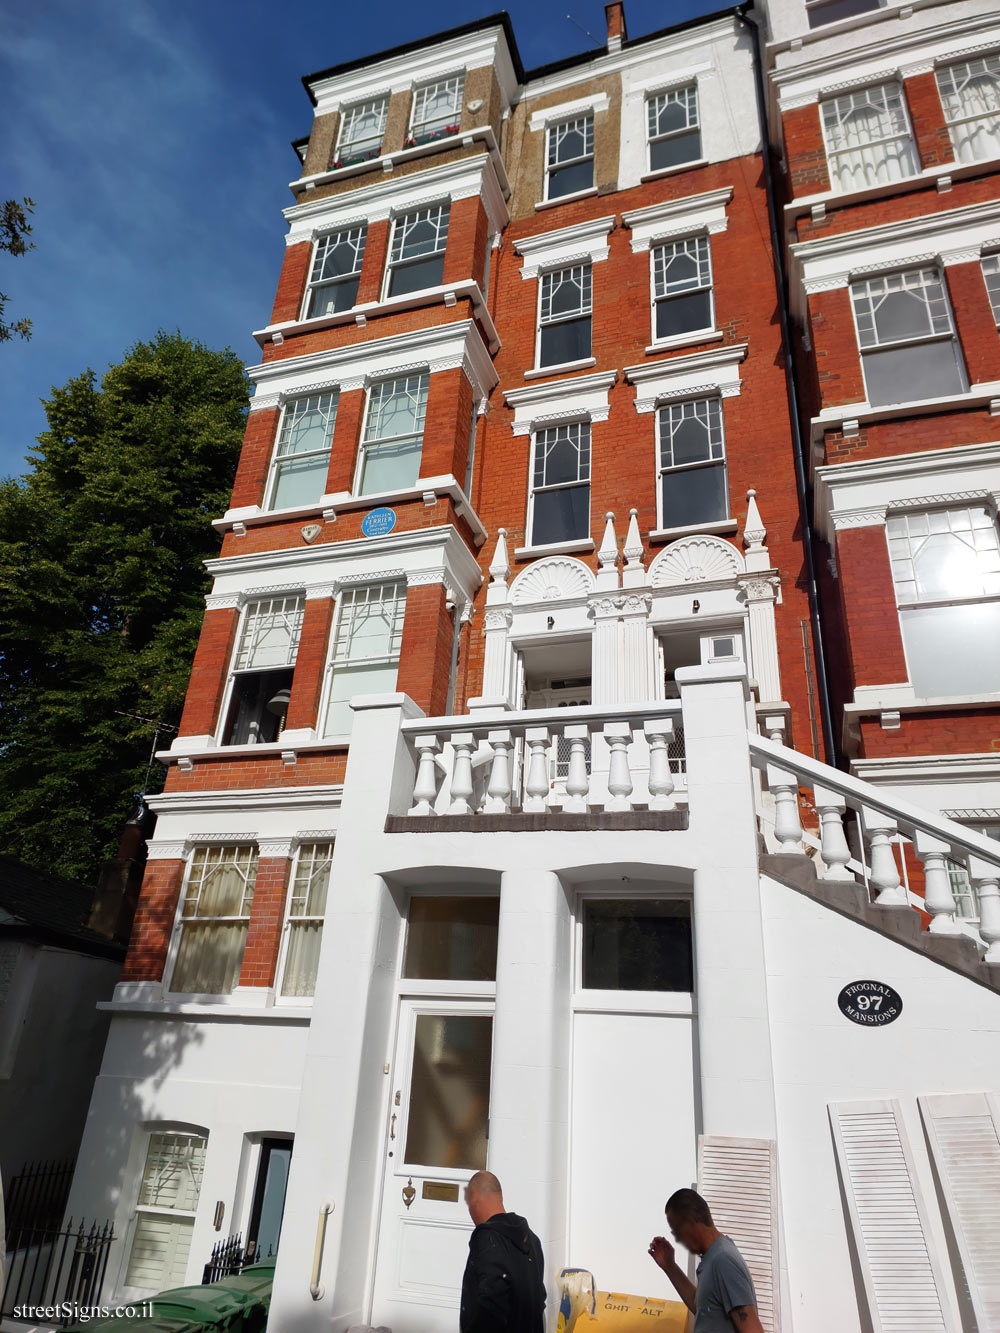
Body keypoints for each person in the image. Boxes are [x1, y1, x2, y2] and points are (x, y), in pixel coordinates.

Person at [648, 1188, 764, 1332]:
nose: (677, 1239)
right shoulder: (713, 1258)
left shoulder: (723, 1260)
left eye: (676, 1231)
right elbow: (702, 1307)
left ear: (691, 1222)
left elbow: (752, 1329)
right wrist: (669, 1266)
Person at [460, 1169, 545, 1333]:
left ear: (475, 1198)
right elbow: (540, 1298)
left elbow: (489, 1306)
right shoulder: (532, 1240)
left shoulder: (488, 1239)